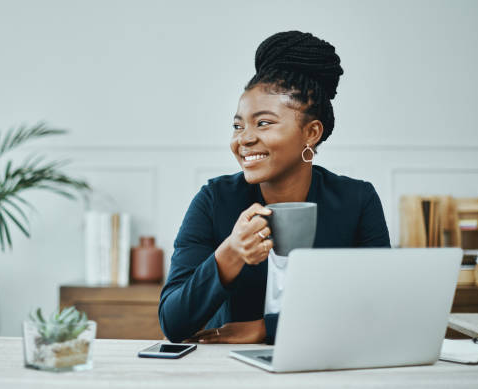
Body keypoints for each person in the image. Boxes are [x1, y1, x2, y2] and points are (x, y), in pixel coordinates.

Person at [158, 31, 390, 345]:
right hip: (231, 372)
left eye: (263, 123)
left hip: (327, 366)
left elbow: (378, 309)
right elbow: (173, 323)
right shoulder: (213, 200)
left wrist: (265, 329)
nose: (244, 139)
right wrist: (229, 253)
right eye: (238, 125)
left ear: (311, 132)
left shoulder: (357, 201)